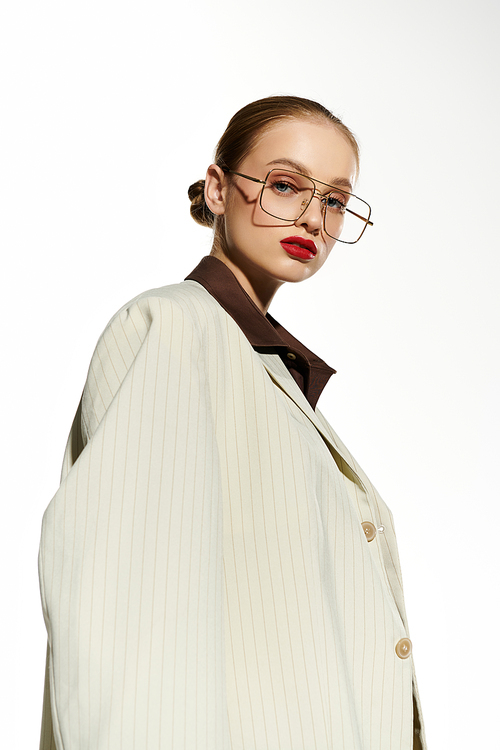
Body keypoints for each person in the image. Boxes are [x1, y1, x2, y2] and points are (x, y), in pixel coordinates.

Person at [38, 95, 426, 750]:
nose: (312, 217)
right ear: (218, 188)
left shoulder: (261, 367)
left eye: (334, 200)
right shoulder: (175, 331)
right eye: (284, 185)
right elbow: (130, 616)